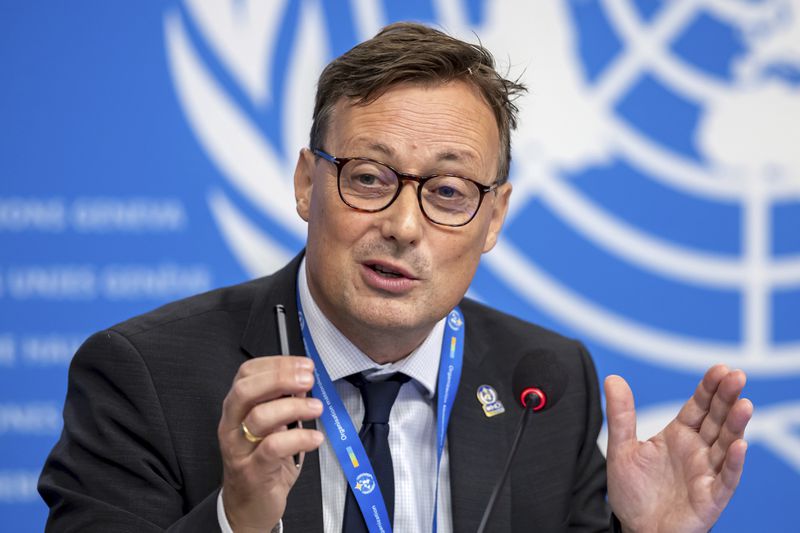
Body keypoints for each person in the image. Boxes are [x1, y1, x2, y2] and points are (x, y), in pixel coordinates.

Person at [39, 22, 752, 532]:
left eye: (447, 192)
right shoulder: (145, 376)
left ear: (494, 217)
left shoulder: (545, 385)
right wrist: (237, 520)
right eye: (371, 177)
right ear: (305, 182)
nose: (404, 227)